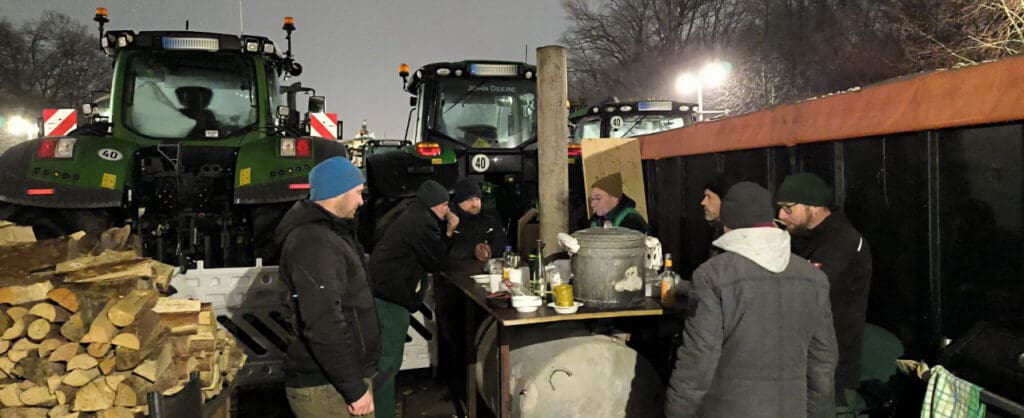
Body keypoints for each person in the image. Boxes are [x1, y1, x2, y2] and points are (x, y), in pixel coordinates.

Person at [666, 182, 838, 418]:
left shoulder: (711, 275)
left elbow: (699, 360)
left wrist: (676, 412)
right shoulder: (814, 279)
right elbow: (822, 363)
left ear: (727, 224)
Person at [275, 156, 379, 417]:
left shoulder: (330, 234)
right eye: (357, 193)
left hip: (336, 382)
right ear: (338, 191)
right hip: (326, 387)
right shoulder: (313, 242)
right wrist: (353, 388)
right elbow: (323, 321)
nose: (361, 201)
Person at [775, 173, 872, 409]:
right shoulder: (806, 238)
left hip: (833, 375)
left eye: (788, 208)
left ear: (814, 207)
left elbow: (807, 297)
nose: (780, 215)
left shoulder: (844, 243)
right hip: (808, 366)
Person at [368, 179, 454, 418]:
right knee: (387, 363)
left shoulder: (410, 215)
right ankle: (381, 413)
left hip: (383, 295)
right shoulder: (421, 223)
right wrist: (449, 232)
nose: (447, 210)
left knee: (386, 361)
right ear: (434, 203)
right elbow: (437, 261)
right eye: (445, 204)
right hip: (389, 300)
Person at [447, 178, 507, 263]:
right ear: (458, 202)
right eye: (469, 200)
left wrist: (490, 249)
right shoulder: (449, 218)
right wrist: (473, 250)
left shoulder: (489, 216)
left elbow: (503, 243)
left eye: (477, 199)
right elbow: (447, 252)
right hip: (459, 270)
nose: (475, 204)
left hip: (488, 270)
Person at [588, 172, 653, 234]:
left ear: (614, 198)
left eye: (598, 198)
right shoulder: (595, 221)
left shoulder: (631, 221)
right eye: (592, 199)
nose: (592, 204)